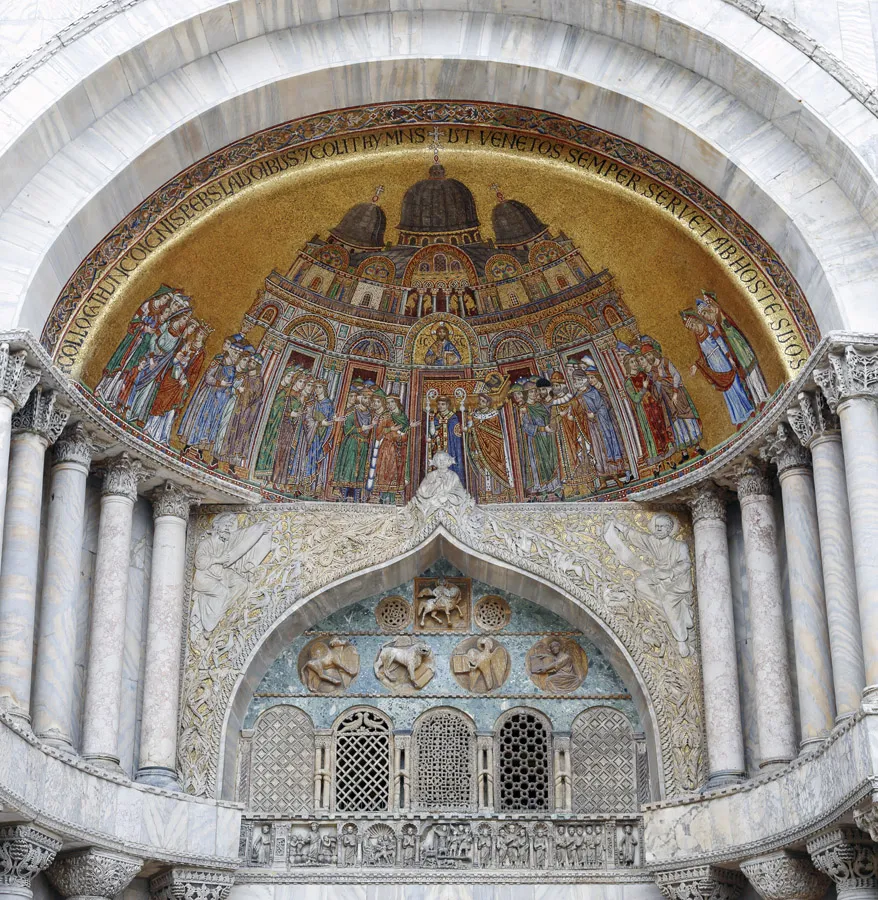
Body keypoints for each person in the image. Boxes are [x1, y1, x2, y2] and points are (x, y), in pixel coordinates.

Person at [604, 513, 694, 656]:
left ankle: (681, 640)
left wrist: (670, 573)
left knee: (668, 600)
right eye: (657, 527)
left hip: (677, 582)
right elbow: (636, 537)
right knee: (640, 583)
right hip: (658, 576)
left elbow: (685, 564)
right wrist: (618, 525)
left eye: (662, 527)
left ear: (670, 529)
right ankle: (664, 610)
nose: (658, 530)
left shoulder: (679, 546)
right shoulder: (653, 541)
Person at [190, 513, 272, 636]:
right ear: (217, 526)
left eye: (230, 526)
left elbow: (243, 535)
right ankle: (208, 627)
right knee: (223, 592)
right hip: (205, 578)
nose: (228, 529)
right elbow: (199, 562)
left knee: (242, 584)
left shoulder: (227, 542)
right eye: (226, 525)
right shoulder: (206, 543)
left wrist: (260, 530)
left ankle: (221, 613)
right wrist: (219, 559)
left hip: (222, 574)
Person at [681, 309, 755, 427]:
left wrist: (729, 358)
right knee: (727, 391)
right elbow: (703, 355)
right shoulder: (697, 337)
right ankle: (739, 418)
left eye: (692, 324)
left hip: (722, 359)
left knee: (735, 384)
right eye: (690, 327)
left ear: (696, 320)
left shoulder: (708, 329)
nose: (692, 328)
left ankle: (749, 409)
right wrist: (696, 366)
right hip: (714, 365)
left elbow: (721, 343)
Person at [464, 392, 514, 502]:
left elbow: (497, 433)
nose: (480, 403)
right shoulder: (474, 415)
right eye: (479, 400)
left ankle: (500, 494)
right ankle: (484, 495)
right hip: (479, 448)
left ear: (488, 403)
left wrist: (476, 428)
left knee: (496, 467)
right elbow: (470, 431)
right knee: (482, 470)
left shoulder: (493, 415)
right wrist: (469, 425)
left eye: (483, 401)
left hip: (493, 448)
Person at [332, 383, 373, 501]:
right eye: (365, 398)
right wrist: (361, 429)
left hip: (364, 445)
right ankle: (344, 496)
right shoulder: (352, 412)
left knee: (360, 471)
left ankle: (357, 497)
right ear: (360, 398)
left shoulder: (370, 413)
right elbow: (347, 429)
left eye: (369, 398)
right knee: (349, 469)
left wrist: (371, 427)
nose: (368, 400)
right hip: (351, 444)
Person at [428, 395, 465, 484]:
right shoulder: (436, 417)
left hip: (450, 447)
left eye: (443, 404)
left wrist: (445, 426)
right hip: (438, 446)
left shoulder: (453, 417)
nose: (440, 406)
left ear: (448, 405)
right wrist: (432, 423)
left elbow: (456, 434)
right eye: (439, 404)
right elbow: (432, 434)